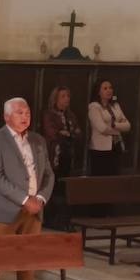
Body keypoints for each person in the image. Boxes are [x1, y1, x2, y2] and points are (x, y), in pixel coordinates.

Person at [0, 97, 54, 280]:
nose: (25, 117)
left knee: (28, 259)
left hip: (34, 210)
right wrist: (24, 199)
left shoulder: (38, 140)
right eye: (19, 113)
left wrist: (39, 198)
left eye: (27, 113)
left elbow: (48, 174)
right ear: (6, 116)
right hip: (5, 210)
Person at [42, 86, 81, 229]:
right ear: (55, 99)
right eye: (63, 96)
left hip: (69, 156)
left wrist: (68, 133)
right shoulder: (49, 114)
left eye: (68, 96)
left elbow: (77, 132)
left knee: (66, 189)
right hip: (55, 157)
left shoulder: (71, 115)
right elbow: (52, 133)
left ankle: (65, 220)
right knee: (54, 188)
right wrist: (63, 133)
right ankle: (52, 220)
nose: (66, 100)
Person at [87, 79, 130, 178]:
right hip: (100, 149)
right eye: (105, 88)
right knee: (101, 178)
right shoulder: (94, 107)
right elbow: (102, 128)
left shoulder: (115, 105)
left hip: (116, 146)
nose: (109, 90)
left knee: (114, 177)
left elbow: (127, 125)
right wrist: (119, 128)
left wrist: (115, 125)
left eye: (110, 88)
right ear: (98, 91)